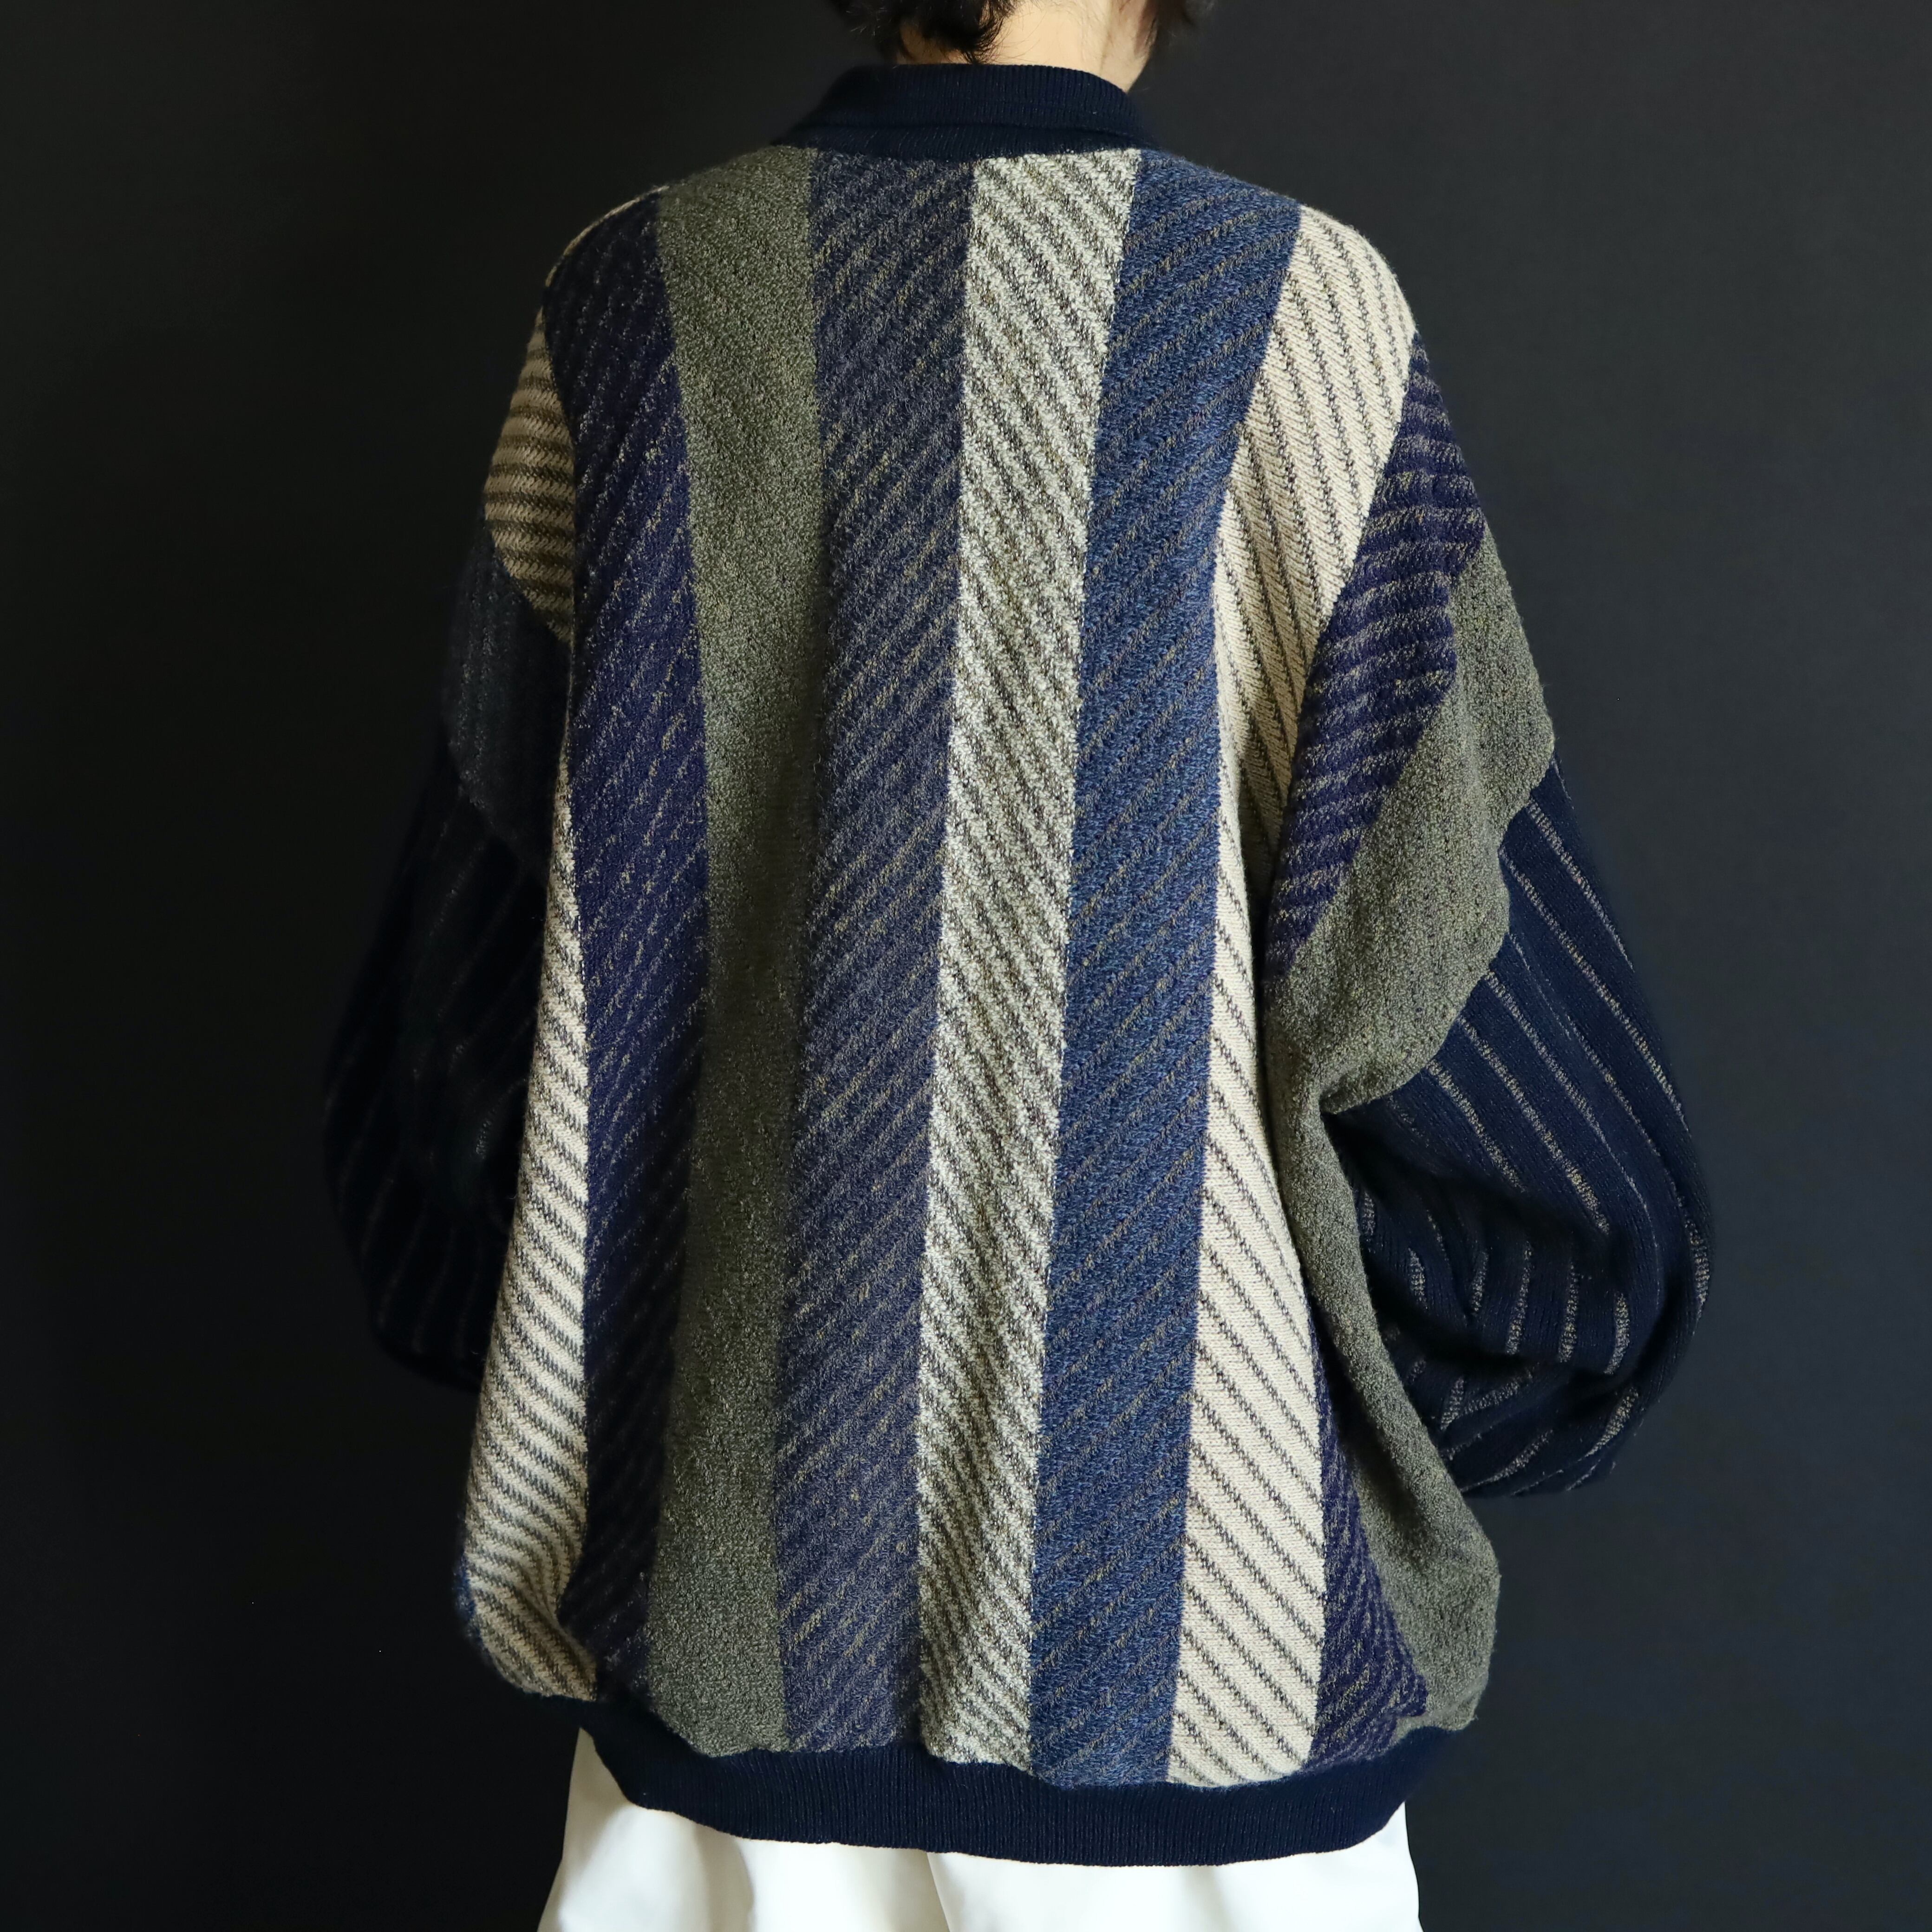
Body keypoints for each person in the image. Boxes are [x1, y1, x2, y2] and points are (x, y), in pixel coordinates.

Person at [323, 0, 1711, 1924]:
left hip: (721, 1665)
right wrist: (1411, 1386)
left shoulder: (634, 300)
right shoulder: (1283, 309)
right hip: (1205, 1666)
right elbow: (1463, 1010)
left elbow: (456, 1040)